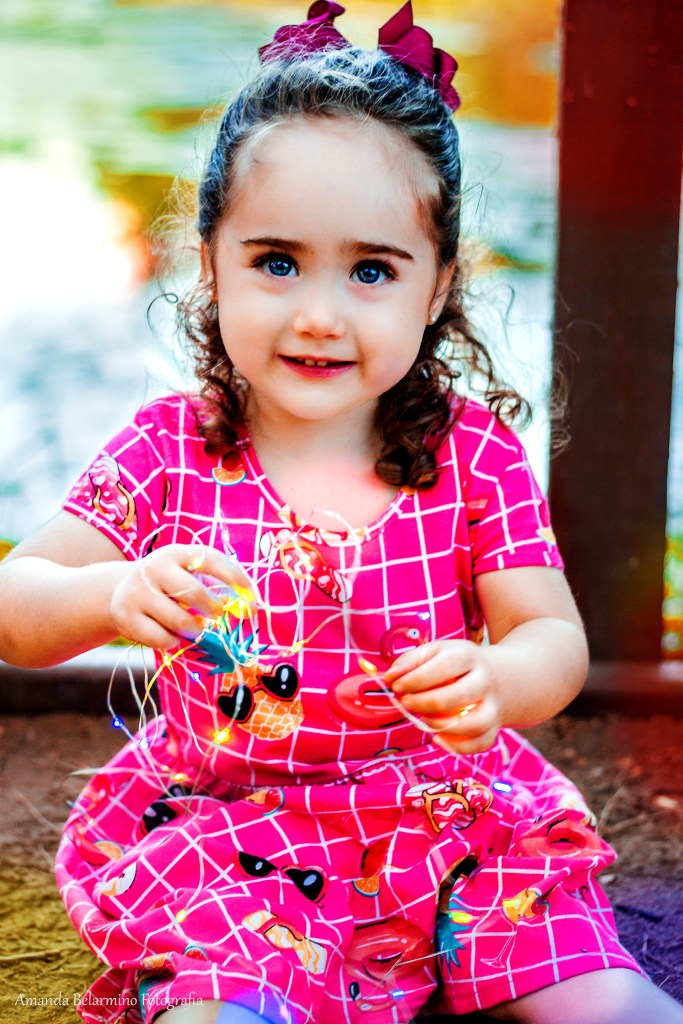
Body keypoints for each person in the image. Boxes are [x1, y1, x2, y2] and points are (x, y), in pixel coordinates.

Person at [1, 3, 680, 1022]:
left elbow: (551, 640)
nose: (319, 314)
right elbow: (17, 603)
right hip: (235, 837)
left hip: (449, 821)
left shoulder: (471, 456)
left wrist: (496, 678)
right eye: (276, 262)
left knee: (598, 1000)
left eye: (370, 270)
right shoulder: (169, 450)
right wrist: (113, 592)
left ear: (435, 287)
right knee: (217, 1005)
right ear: (210, 264)